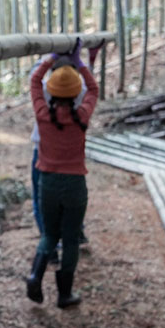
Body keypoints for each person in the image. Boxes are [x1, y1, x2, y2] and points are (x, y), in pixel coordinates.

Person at [25, 39, 100, 308]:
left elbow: (35, 82)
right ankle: (64, 294)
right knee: (69, 239)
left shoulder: (43, 115)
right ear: (75, 92)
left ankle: (35, 276)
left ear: (51, 91)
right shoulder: (82, 116)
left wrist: (51, 58)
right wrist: (80, 63)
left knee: (49, 235)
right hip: (75, 185)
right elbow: (93, 89)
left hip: (48, 183)